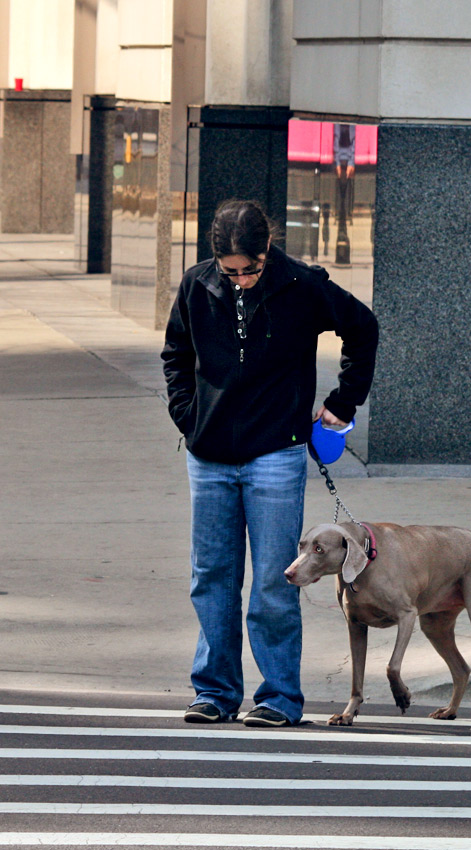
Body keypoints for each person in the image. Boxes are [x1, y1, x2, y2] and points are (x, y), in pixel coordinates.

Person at [161, 199, 378, 728]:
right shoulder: (196, 286)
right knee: (211, 575)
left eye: (251, 268)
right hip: (208, 454)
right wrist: (188, 418)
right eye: (231, 271)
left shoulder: (301, 285)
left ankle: (279, 697)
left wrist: (342, 403)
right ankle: (213, 691)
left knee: (277, 581)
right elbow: (175, 356)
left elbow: (363, 328)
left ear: (267, 251)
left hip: (276, 453)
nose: (242, 280)